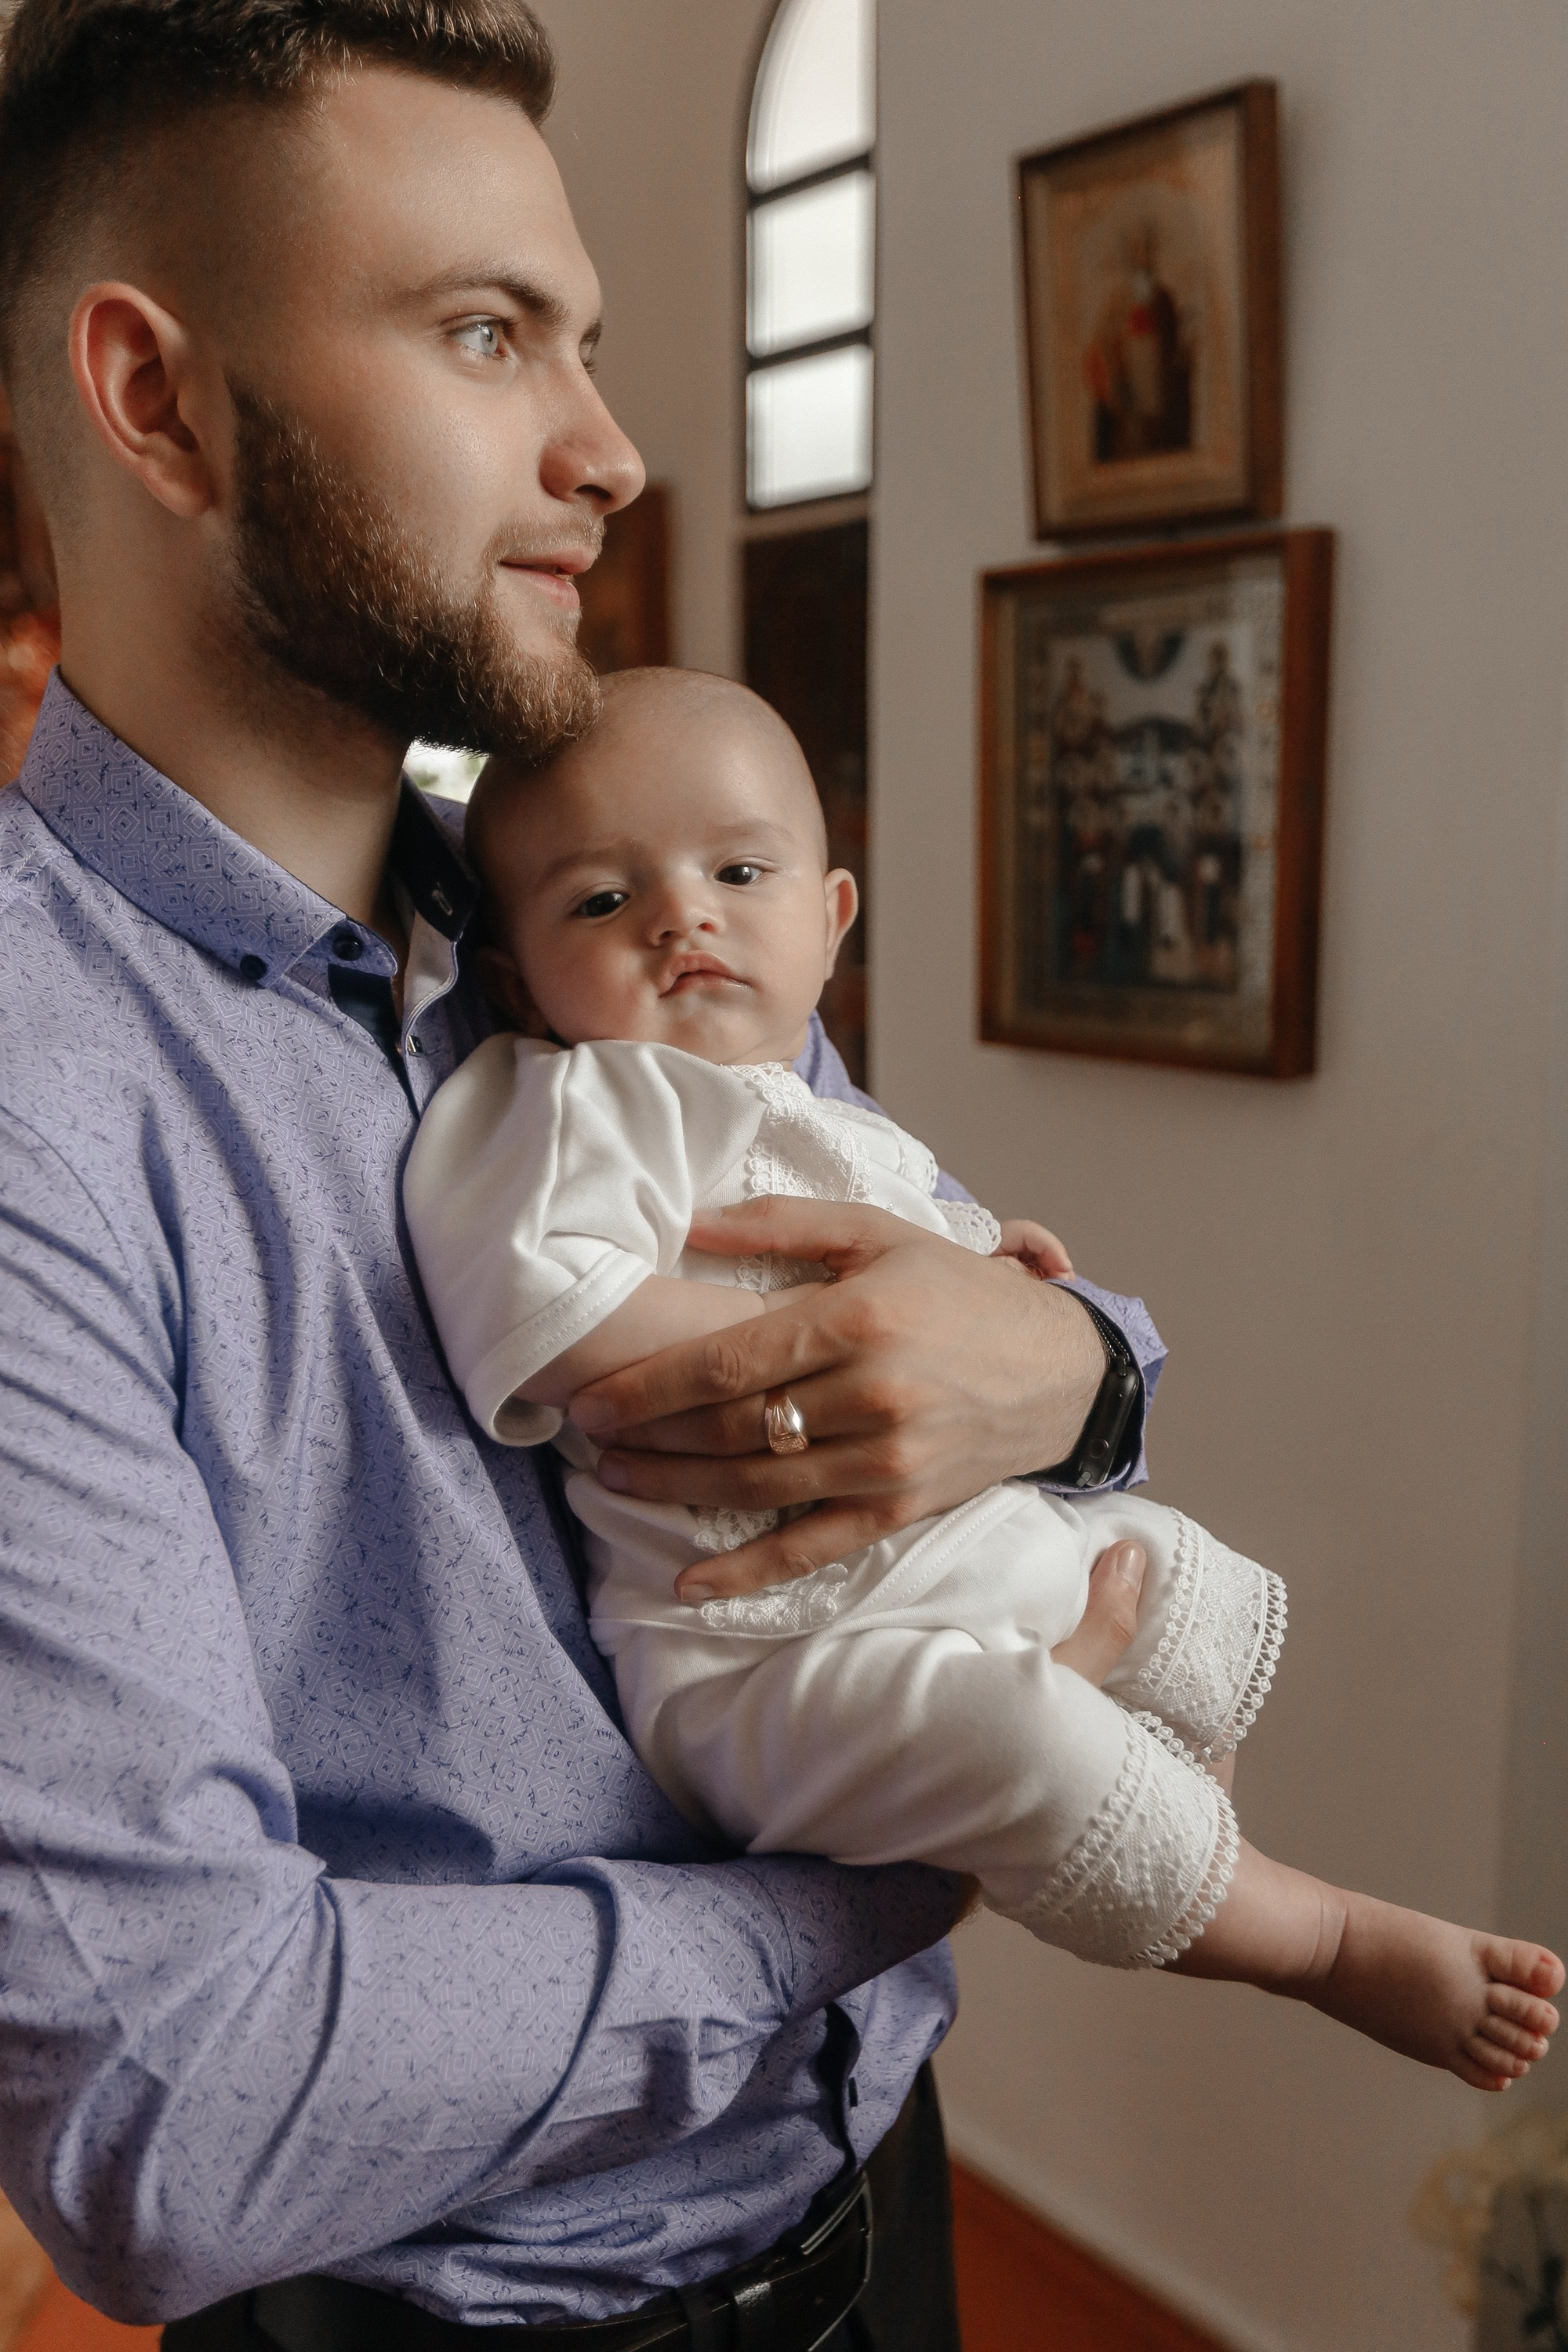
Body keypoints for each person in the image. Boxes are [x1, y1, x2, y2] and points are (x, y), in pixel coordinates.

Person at [0, 1, 1167, 2344]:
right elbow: (174, 2103)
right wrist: (903, 1869)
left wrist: (1073, 1367)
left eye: (589, 339)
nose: (613, 450)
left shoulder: (604, 903)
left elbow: (953, 1321)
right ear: (159, 404)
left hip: (880, 2206)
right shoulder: (38, 1102)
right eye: (483, 331)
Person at [407, 666, 1563, 2084]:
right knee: (1009, 1734)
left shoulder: (831, 1109)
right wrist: (820, 1334)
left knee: (1164, 1560)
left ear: (830, 922)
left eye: (738, 870)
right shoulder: (576, 1098)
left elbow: (971, 1330)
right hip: (763, 1662)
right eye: (600, 901)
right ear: (520, 975)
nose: (679, 916)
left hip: (949, 1561)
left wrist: (991, 1272)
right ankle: (1317, 1940)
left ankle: (1191, 1829)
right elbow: (537, 1303)